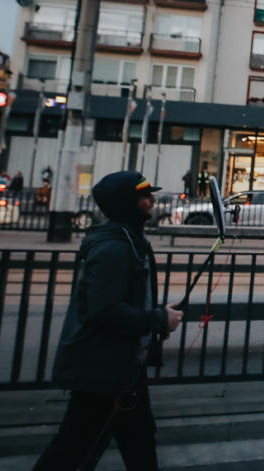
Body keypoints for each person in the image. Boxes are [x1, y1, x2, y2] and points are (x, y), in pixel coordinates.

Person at [33, 171, 183, 471]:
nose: (152, 200)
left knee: (136, 440)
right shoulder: (114, 248)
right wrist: (157, 319)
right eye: (144, 196)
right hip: (102, 370)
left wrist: (155, 315)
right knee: (73, 447)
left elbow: (121, 302)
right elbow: (105, 311)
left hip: (120, 368)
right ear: (129, 204)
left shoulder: (128, 240)